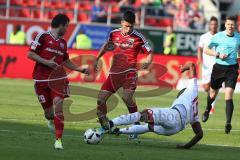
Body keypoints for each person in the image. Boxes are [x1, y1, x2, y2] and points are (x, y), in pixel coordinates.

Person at [102, 63, 203, 149]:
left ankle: (110, 123)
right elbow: (199, 134)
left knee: (143, 115)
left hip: (175, 116)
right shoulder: (195, 114)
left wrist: (182, 69)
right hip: (174, 130)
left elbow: (192, 65)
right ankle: (119, 131)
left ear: (182, 92)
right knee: (148, 127)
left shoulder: (191, 89)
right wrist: (185, 147)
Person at [27, 14, 89, 149]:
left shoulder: (63, 43)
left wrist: (81, 70)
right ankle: (50, 120)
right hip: (41, 80)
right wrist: (47, 62)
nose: (67, 29)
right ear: (61, 25)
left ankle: (58, 140)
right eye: (66, 26)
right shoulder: (42, 37)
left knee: (58, 106)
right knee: (49, 113)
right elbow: (30, 54)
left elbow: (65, 61)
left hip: (58, 80)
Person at [94, 10, 153, 138]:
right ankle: (105, 125)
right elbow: (107, 46)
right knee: (100, 101)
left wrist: (148, 62)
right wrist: (97, 58)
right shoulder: (113, 34)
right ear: (121, 23)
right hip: (114, 74)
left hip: (129, 73)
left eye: (131, 26)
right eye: (126, 26)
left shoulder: (138, 37)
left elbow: (149, 52)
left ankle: (136, 125)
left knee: (126, 97)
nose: (128, 29)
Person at [202, 16, 240, 134]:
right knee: (212, 93)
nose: (230, 26)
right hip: (219, 68)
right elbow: (206, 50)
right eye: (228, 24)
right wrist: (217, 54)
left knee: (228, 95)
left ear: (235, 26)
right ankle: (208, 108)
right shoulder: (218, 36)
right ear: (225, 25)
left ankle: (228, 123)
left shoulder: (238, 37)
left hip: (232, 69)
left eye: (232, 25)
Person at [197, 16, 218, 114]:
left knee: (214, 86)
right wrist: (199, 59)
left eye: (215, 24)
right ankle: (212, 99)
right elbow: (199, 48)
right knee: (206, 87)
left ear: (217, 25)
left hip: (217, 65)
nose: (213, 26)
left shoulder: (220, 36)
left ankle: (211, 107)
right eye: (212, 24)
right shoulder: (204, 36)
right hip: (206, 66)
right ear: (209, 25)